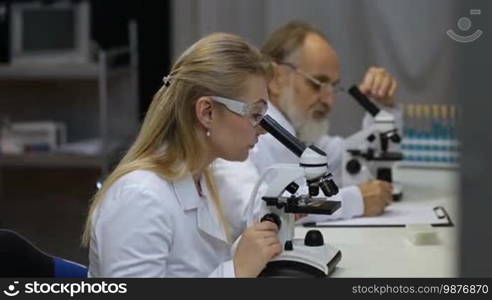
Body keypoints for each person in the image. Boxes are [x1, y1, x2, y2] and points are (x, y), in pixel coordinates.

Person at [82, 33, 283, 278]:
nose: (262, 128)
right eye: (255, 113)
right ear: (207, 112)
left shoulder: (204, 178)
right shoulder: (140, 197)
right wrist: (236, 271)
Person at [214, 21, 402, 240]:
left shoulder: (299, 133)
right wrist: (352, 201)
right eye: (317, 84)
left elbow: (363, 161)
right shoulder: (241, 134)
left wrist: (384, 109)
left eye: (333, 87)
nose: (329, 100)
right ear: (275, 79)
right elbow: (258, 209)